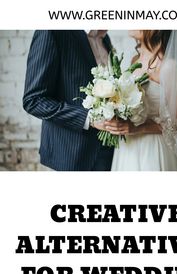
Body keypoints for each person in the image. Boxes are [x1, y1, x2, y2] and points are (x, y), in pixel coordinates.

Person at [106, 30, 177, 171]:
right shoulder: (135, 60)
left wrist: (138, 128)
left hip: (152, 149)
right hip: (128, 148)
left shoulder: (169, 67)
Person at [23, 30, 114, 171]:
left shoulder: (105, 38)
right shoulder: (52, 32)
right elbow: (33, 100)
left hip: (110, 152)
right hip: (70, 155)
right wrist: (89, 119)